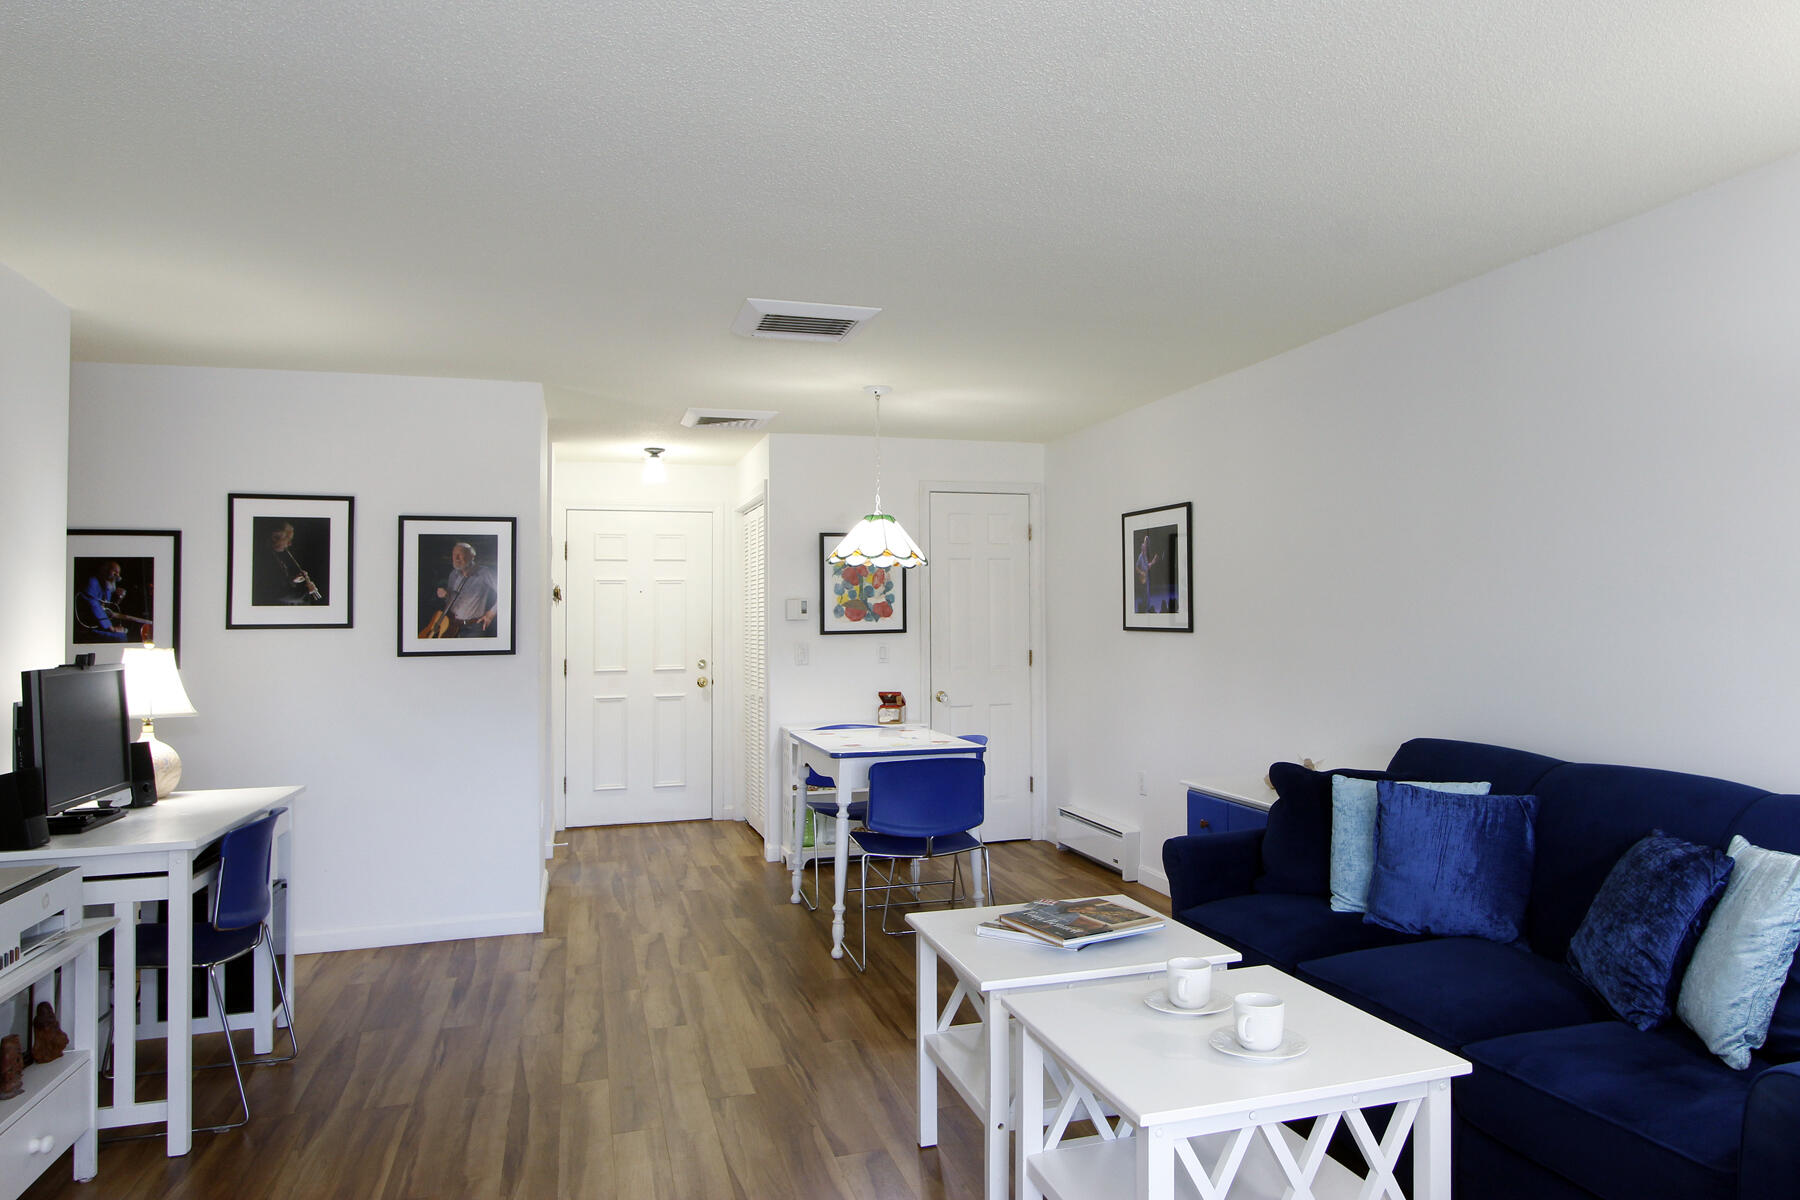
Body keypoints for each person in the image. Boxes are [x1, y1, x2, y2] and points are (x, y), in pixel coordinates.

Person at [254, 521, 323, 605]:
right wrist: (307, 591)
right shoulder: (265, 558)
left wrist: (292, 580)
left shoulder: (273, 554)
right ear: (275, 537)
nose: (290, 544)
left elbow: (276, 582)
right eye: (288, 540)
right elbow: (275, 593)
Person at [437, 542, 498, 636]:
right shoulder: (453, 574)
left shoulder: (484, 572)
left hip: (474, 628)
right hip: (452, 625)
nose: (456, 558)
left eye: (460, 554)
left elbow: (506, 592)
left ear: (472, 556)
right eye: (454, 554)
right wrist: (445, 595)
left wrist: (491, 614)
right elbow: (451, 601)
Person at [75, 561, 131, 641]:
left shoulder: (107, 588)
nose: (117, 575)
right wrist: (111, 628)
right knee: (121, 637)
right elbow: (94, 605)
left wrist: (119, 598)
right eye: (114, 571)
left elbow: (106, 608)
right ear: (104, 570)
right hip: (88, 627)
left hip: (98, 625)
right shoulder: (93, 581)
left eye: (118, 573)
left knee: (123, 634)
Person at [1135, 534, 1161, 613]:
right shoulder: (1140, 556)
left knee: (1147, 594)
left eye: (1145, 546)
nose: (1145, 548)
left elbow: (1147, 567)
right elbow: (1136, 567)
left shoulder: (1145, 556)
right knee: (1145, 594)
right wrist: (1141, 573)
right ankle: (1144, 609)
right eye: (1144, 547)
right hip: (1143, 578)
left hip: (1146, 577)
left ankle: (1146, 608)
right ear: (1142, 548)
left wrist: (1153, 561)